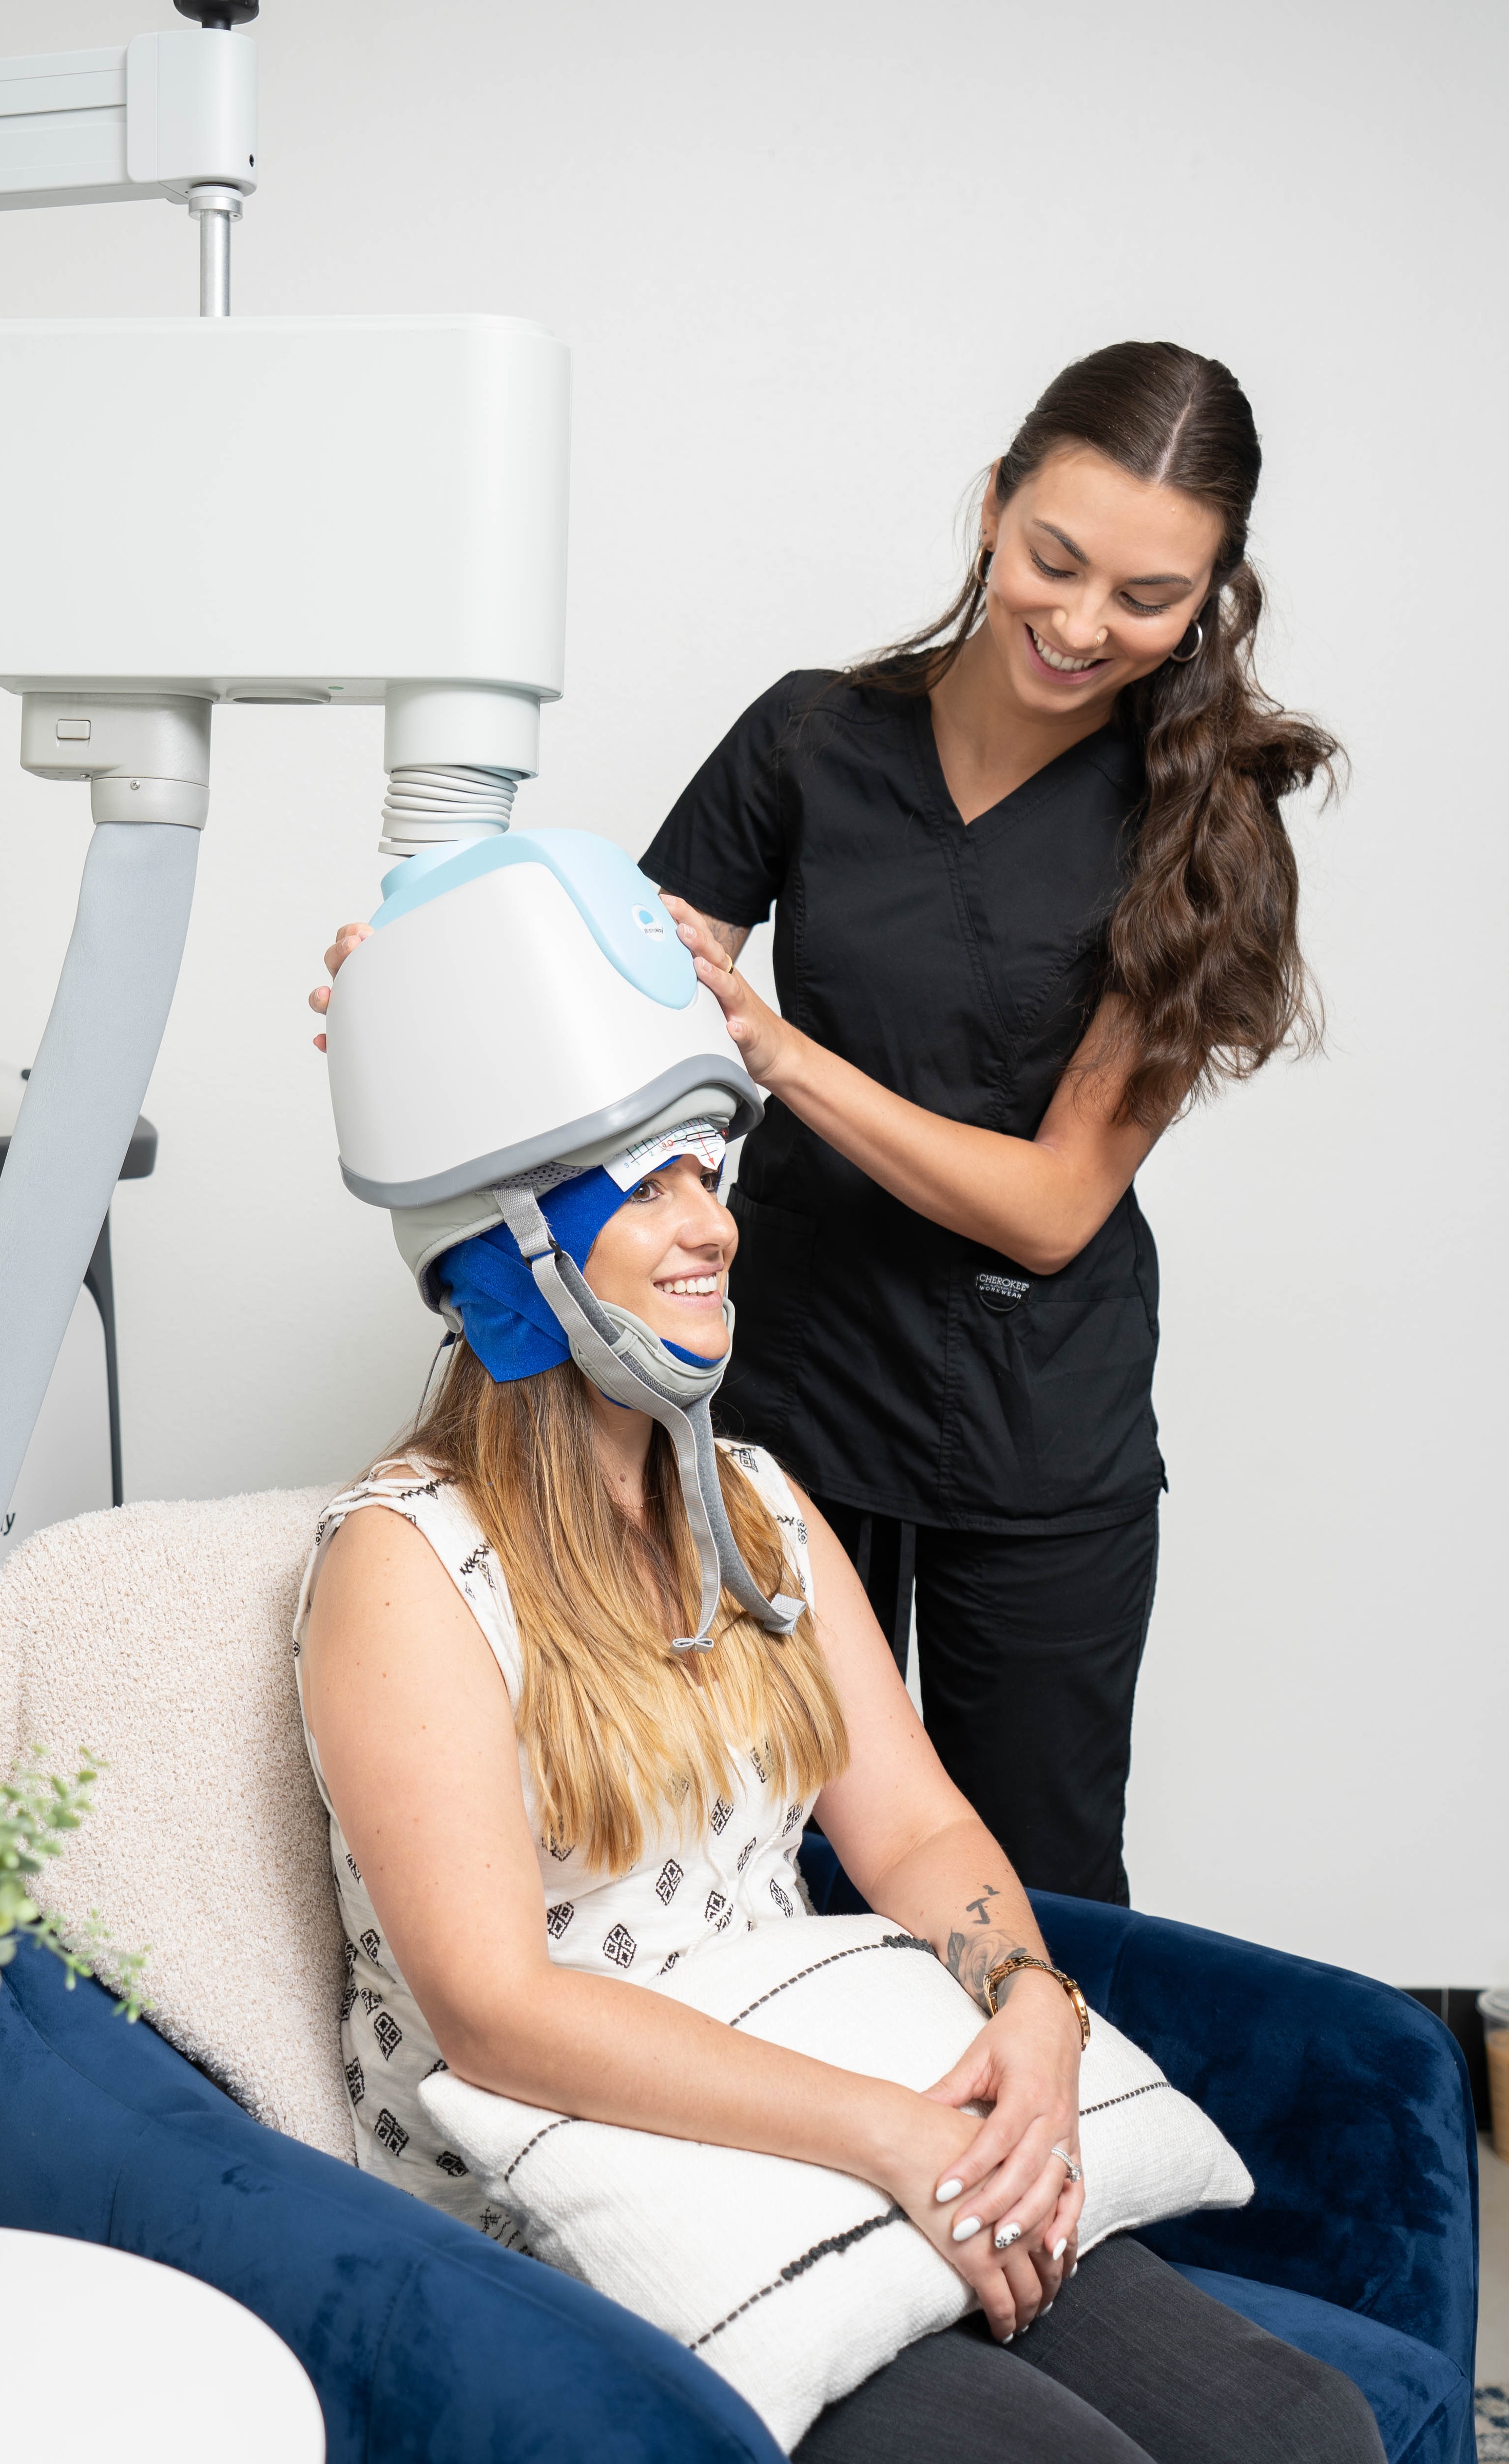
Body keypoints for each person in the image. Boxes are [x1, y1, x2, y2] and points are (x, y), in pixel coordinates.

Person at [312, 338, 1339, 1907]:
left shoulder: (1204, 824)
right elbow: (637, 996)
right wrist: (431, 992)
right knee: (757, 1853)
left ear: (1212, 593)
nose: (1079, 624)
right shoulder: (812, 739)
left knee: (1038, 1886)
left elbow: (1058, 1201)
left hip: (1037, 1428)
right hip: (785, 1385)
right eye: (1051, 560)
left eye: (1145, 597)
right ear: (992, 507)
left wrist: (784, 1055)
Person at [294, 1121, 1379, 2462]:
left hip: (821, 2114)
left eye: (709, 1178)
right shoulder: (406, 1562)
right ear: (504, 1260)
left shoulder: (757, 1508)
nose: (714, 1228)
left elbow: (916, 1825)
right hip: (565, 2197)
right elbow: (496, 2015)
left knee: (1299, 2429)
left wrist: (1036, 2005)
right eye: (648, 1190)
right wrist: (886, 2135)